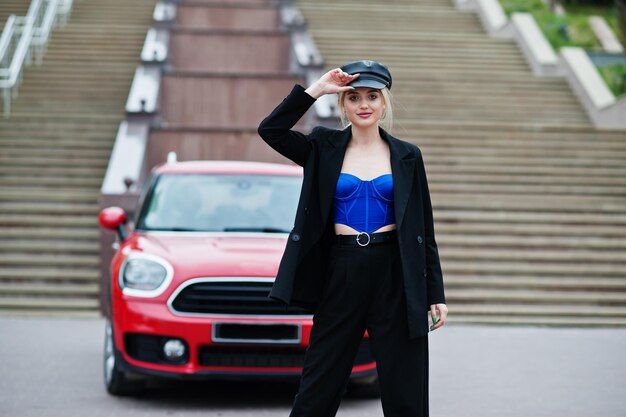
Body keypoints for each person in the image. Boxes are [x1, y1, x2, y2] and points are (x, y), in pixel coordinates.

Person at [257, 60, 448, 417]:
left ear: (383, 103)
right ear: (343, 105)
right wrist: (317, 89)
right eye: (354, 97)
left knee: (406, 389)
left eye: (372, 97)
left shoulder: (407, 155)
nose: (364, 104)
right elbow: (272, 130)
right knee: (319, 386)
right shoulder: (322, 147)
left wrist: (434, 293)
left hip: (395, 273)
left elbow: (424, 228)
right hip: (341, 271)